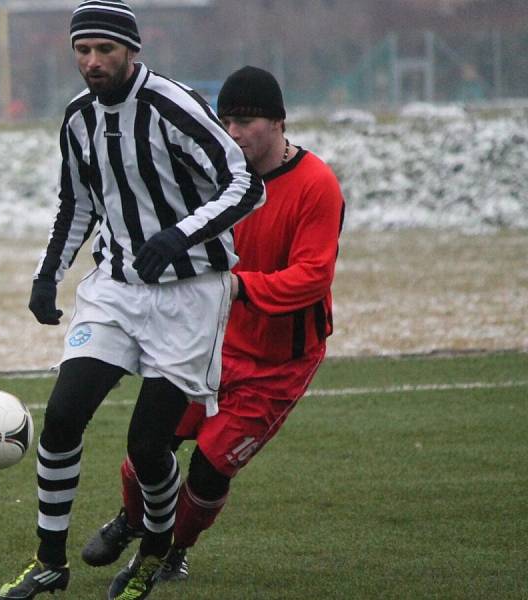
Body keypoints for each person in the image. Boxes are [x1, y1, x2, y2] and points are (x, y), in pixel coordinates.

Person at [0, 4, 265, 600]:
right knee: (62, 417)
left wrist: (177, 236)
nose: (93, 62)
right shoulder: (77, 118)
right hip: (115, 290)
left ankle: (152, 553)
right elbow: (77, 204)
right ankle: (49, 563)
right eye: (83, 51)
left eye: (105, 51)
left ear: (132, 51)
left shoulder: (172, 105)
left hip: (191, 293)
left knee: (148, 445)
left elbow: (246, 183)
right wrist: (48, 277)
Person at [81, 65, 346, 586]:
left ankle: (174, 550)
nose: (233, 132)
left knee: (208, 468)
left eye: (246, 121)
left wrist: (241, 287)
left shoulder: (317, 185)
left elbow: (313, 277)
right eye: (226, 120)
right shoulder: (216, 177)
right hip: (210, 343)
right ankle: (131, 520)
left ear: (279, 122)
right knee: (148, 447)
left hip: (278, 361)